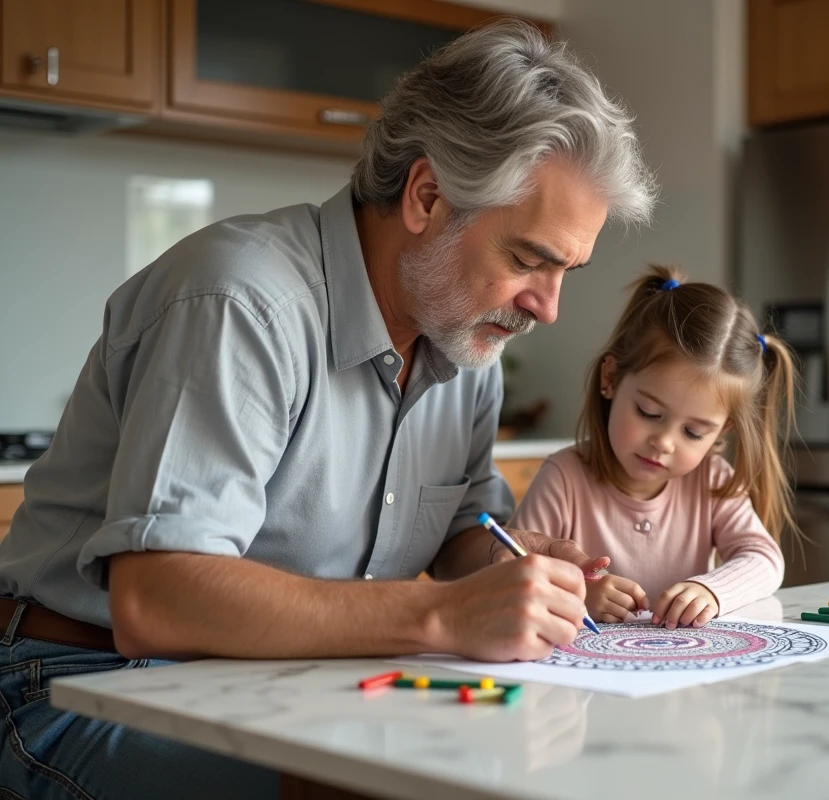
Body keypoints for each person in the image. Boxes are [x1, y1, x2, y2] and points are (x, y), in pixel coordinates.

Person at [0, 20, 655, 799]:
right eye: (527, 260)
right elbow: (158, 598)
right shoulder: (243, 302)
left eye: (566, 271)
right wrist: (443, 615)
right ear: (426, 195)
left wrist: (515, 564)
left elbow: (461, 537)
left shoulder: (466, 343)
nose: (547, 308)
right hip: (85, 683)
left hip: (280, 686)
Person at [511, 265, 799, 630]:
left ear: (720, 432)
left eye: (694, 433)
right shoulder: (564, 478)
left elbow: (764, 559)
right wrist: (581, 595)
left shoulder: (712, 481)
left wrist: (710, 591)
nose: (664, 442)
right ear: (610, 378)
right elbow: (514, 569)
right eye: (649, 412)